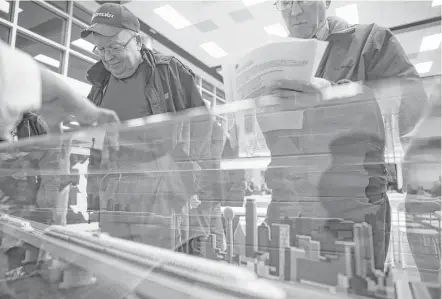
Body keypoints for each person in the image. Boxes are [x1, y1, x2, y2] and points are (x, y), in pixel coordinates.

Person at [258, 0, 427, 271]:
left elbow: (412, 106)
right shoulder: (273, 66)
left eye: (302, 0)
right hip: (286, 210)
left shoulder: (371, 41)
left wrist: (333, 94)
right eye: (285, 2)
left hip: (352, 213)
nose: (295, 10)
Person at [81, 3, 222, 255]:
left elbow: (204, 129)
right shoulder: (99, 83)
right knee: (118, 262)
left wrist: (199, 190)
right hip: (112, 190)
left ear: (137, 40)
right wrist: (93, 195)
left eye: (114, 47)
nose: (107, 56)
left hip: (159, 189)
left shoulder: (168, 71)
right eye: (101, 49)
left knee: (157, 266)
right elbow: (96, 145)